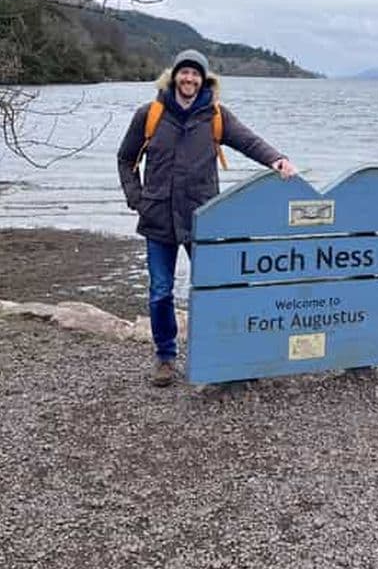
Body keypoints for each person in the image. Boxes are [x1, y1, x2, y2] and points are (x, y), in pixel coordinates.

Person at [118, 49, 297, 386]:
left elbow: (249, 141)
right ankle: (165, 357)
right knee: (160, 291)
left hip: (203, 218)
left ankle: (225, 353)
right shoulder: (150, 114)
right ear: (174, 77)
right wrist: (137, 198)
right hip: (158, 219)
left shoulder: (215, 116)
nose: (189, 79)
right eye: (184, 73)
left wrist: (278, 160)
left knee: (218, 288)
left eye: (195, 74)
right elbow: (126, 159)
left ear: (204, 79)